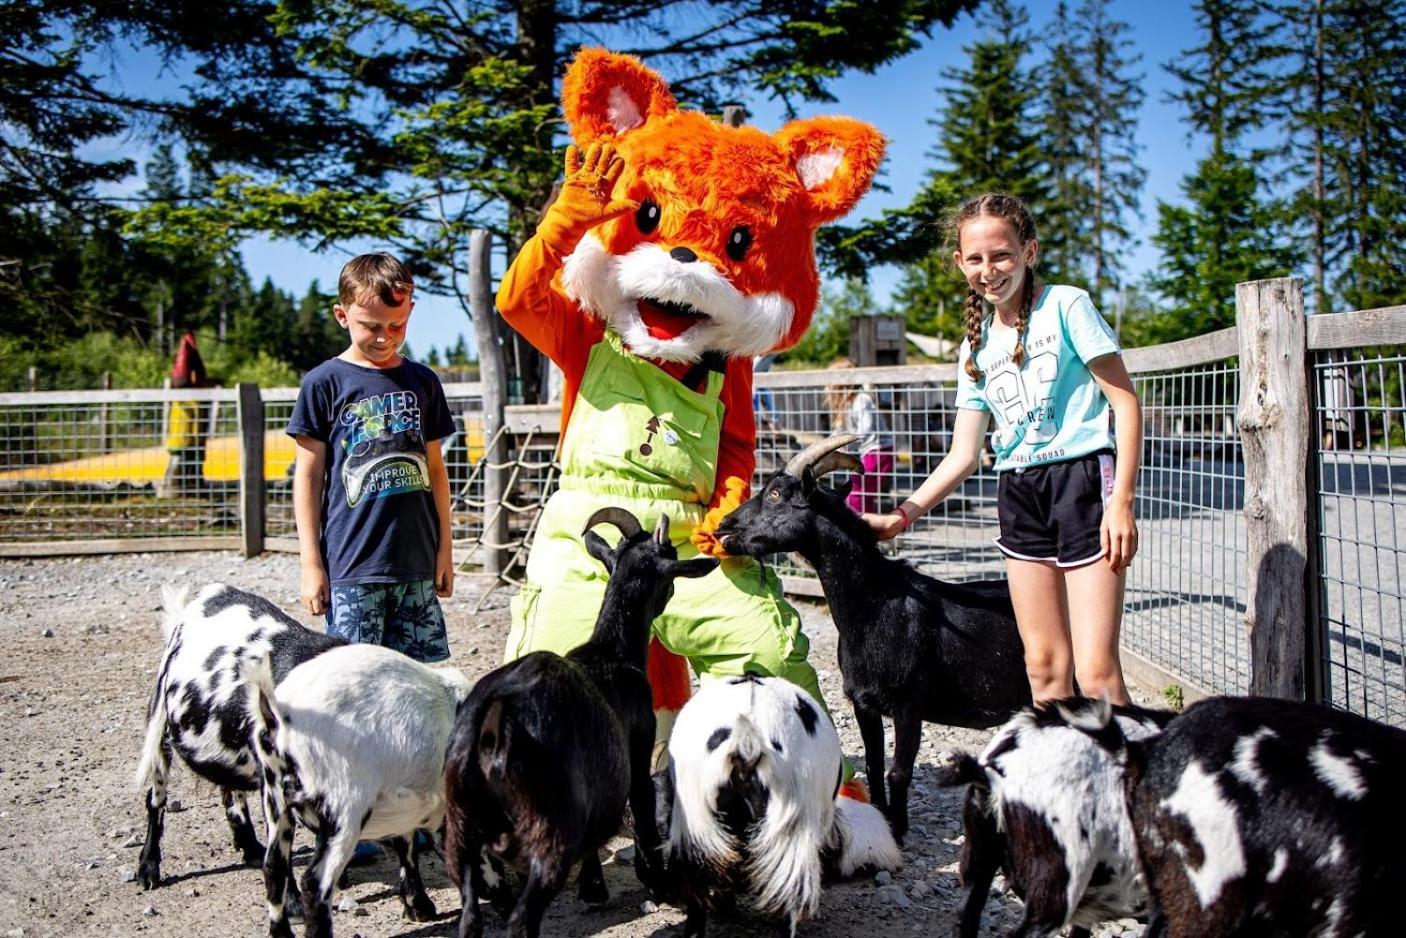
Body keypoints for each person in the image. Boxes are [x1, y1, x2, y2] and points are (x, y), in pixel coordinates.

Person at [864, 193, 1143, 706]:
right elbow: (963, 455)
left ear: (1029, 252)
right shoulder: (975, 349)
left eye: (1002, 255)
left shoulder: (1067, 305)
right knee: (1043, 668)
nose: (988, 269)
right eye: (975, 258)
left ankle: (1141, 782)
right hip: (1018, 490)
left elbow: (1124, 404)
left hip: (1082, 483)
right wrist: (901, 517)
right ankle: (1060, 781)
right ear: (959, 263)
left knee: (1096, 673)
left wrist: (1120, 501)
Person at [287, 252, 456, 665]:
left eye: (397, 326)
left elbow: (435, 469)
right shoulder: (322, 383)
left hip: (416, 566)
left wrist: (445, 549)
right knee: (355, 678)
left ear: (410, 311)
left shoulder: (423, 382)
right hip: (352, 566)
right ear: (342, 315)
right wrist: (311, 564)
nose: (385, 337)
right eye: (371, 326)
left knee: (421, 681)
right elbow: (308, 478)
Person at [824, 357, 894, 515]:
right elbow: (838, 432)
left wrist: (844, 446)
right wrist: (825, 446)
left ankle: (863, 529)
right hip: (869, 452)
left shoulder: (862, 400)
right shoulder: (847, 405)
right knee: (862, 495)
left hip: (879, 451)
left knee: (857, 494)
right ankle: (870, 530)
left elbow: (865, 431)